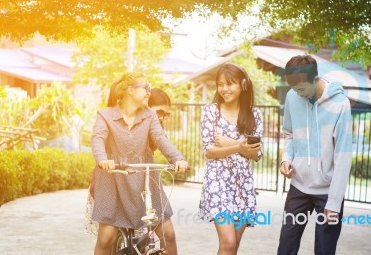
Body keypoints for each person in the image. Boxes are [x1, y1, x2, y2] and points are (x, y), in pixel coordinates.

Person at [91, 72, 188, 255]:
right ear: (129, 91)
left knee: (168, 234)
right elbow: (98, 139)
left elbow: (160, 139)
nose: (149, 92)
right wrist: (103, 159)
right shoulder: (105, 115)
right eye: (145, 88)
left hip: (145, 179)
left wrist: (178, 158)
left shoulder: (149, 115)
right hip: (114, 179)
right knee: (106, 238)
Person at [278, 55, 352, 255]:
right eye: (293, 89)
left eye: (301, 88)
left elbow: (343, 156)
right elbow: (290, 134)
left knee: (324, 250)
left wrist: (335, 203)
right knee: (285, 247)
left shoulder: (340, 104)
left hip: (328, 191)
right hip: (299, 186)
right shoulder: (293, 96)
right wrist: (287, 159)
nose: (298, 94)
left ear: (315, 78)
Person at [198, 62, 263, 255]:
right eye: (220, 84)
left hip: (243, 184)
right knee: (227, 243)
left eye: (230, 84)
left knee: (234, 245)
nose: (224, 89)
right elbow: (208, 151)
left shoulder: (254, 115)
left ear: (243, 84)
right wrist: (239, 146)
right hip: (217, 182)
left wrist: (228, 143)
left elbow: (256, 154)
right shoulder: (211, 112)